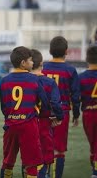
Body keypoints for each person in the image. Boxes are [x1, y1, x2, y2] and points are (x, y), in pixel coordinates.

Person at [0, 46, 49, 178]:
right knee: (31, 164)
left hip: (11, 125)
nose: (33, 63)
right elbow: (44, 101)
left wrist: (11, 117)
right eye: (31, 60)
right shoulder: (34, 79)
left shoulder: (4, 81)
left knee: (7, 162)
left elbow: (4, 106)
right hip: (29, 125)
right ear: (23, 63)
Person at [42, 36, 80, 178]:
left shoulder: (43, 67)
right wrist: (76, 115)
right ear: (66, 51)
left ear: (50, 50)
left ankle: (43, 174)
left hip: (43, 112)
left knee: (43, 146)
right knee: (58, 150)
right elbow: (76, 96)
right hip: (62, 112)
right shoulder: (70, 70)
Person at [29, 49, 64, 178]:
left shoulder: (25, 81)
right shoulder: (49, 82)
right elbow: (55, 103)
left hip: (28, 122)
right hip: (44, 123)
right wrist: (59, 117)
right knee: (44, 155)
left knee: (29, 157)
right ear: (42, 64)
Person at [78, 45, 97, 177]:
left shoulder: (81, 77)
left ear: (87, 59)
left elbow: (77, 97)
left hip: (88, 114)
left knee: (93, 144)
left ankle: (94, 171)